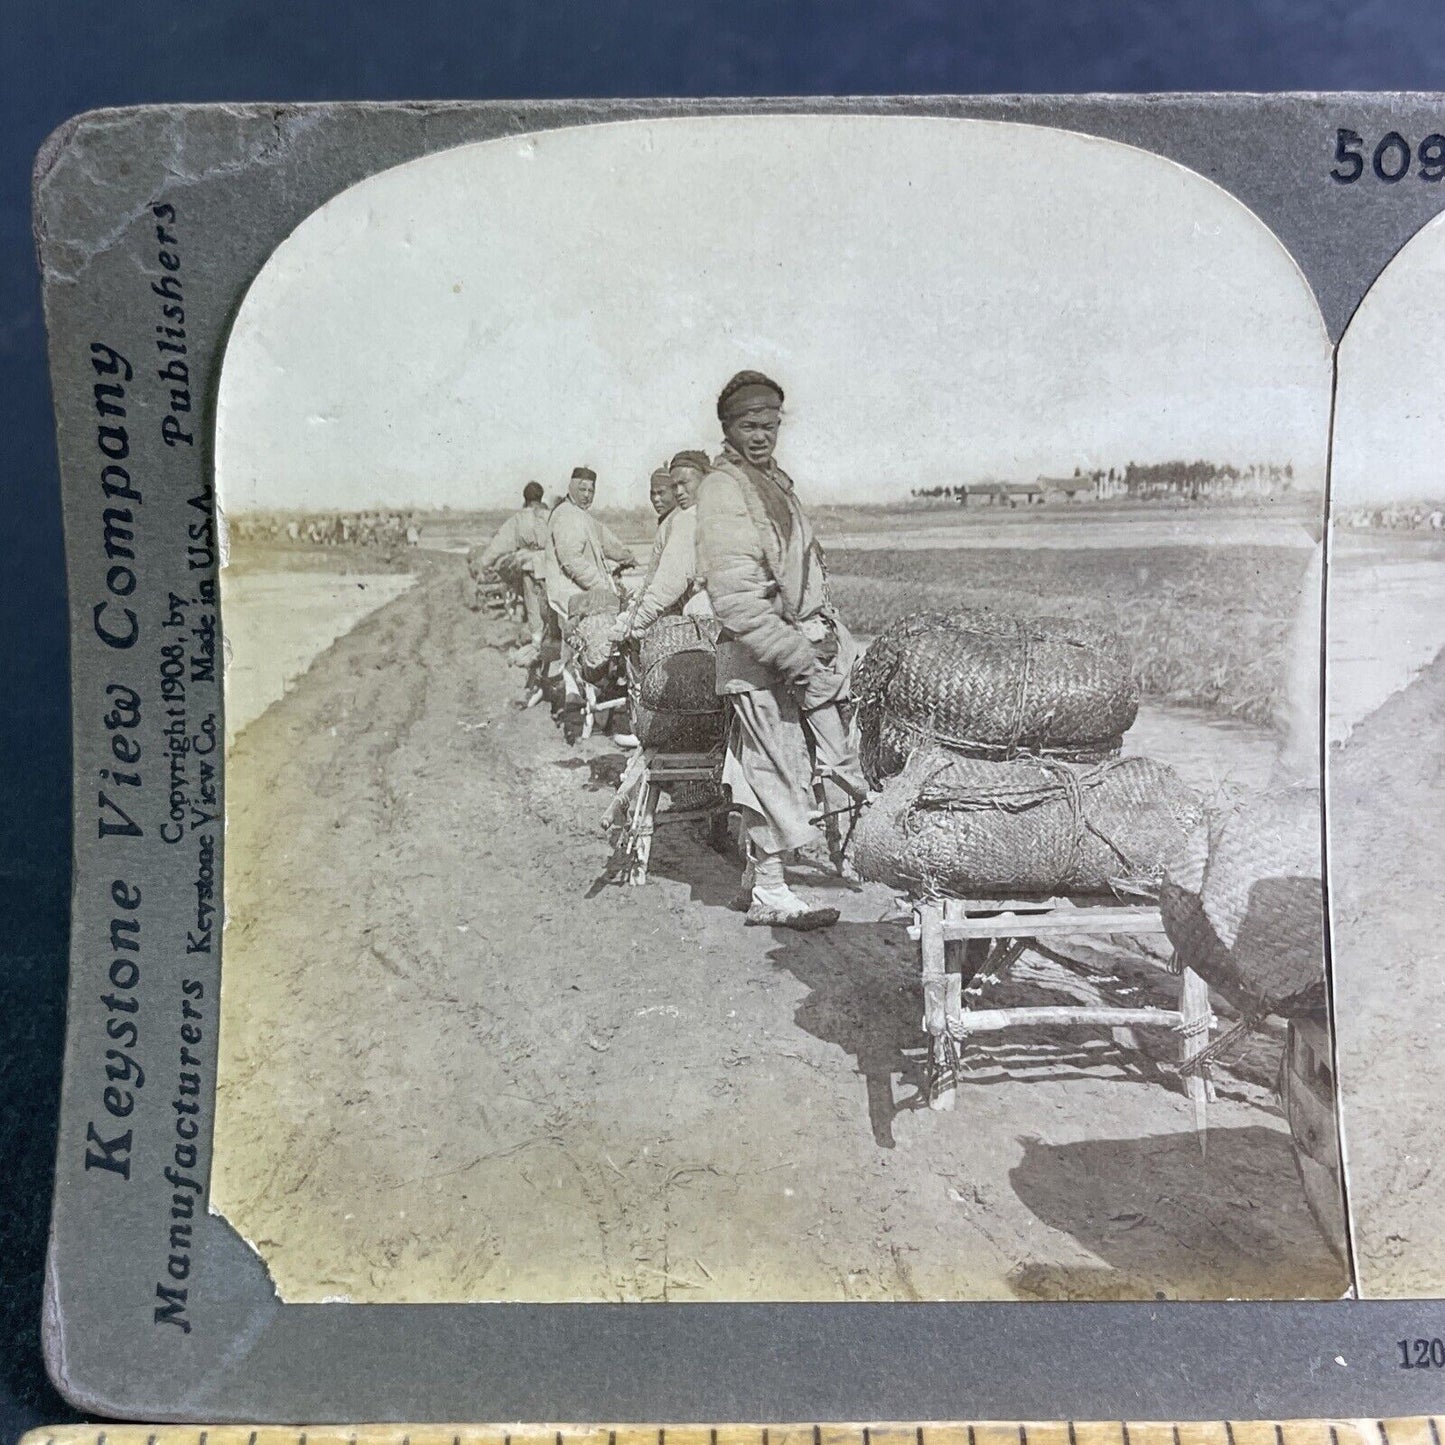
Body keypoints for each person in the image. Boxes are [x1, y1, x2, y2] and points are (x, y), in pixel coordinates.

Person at [694, 371, 866, 930]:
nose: (762, 434)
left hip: (794, 646)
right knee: (775, 766)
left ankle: (760, 875)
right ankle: (769, 890)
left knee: (793, 764)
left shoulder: (770, 482)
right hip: (760, 654)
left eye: (770, 424)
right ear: (727, 428)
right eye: (750, 425)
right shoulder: (724, 489)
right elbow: (737, 600)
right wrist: (795, 654)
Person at [544, 466, 639, 727]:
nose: (587, 494)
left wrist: (626, 555)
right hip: (573, 596)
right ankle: (598, 689)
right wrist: (603, 587)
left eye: (591, 490)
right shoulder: (566, 516)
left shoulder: (581, 516)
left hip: (585, 596)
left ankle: (595, 688)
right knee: (608, 638)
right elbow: (571, 560)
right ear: (571, 489)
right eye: (582, 489)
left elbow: (604, 540)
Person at [614, 450, 714, 640]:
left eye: (684, 483)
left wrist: (633, 622)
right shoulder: (723, 509)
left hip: (710, 619)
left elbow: (668, 584)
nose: (679, 492)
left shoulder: (688, 518)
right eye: (675, 486)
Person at [470, 481, 550, 643]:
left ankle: (536, 643)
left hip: (531, 567)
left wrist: (483, 562)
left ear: (525, 498)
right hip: (551, 565)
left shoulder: (519, 519)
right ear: (541, 497)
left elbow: (500, 544)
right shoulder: (552, 516)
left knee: (533, 606)